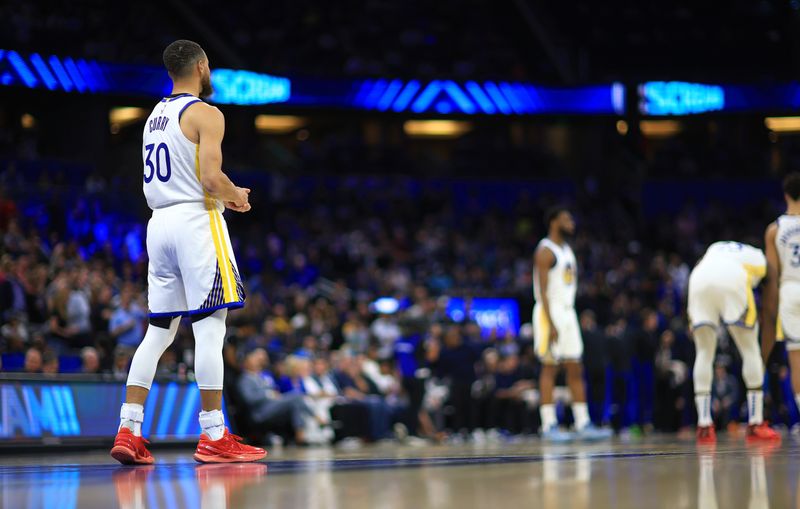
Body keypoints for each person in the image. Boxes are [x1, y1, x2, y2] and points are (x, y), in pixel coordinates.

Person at [111, 40, 263, 465]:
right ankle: (214, 433)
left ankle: (129, 429)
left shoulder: (154, 118)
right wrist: (238, 196)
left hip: (158, 224)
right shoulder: (207, 113)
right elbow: (212, 179)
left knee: (158, 332)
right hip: (196, 222)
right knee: (211, 329)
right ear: (201, 66)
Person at [688, 241, 779, 444]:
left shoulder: (715, 247)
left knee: (703, 352)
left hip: (698, 276)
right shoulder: (759, 258)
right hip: (731, 277)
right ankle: (756, 422)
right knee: (750, 349)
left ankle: (704, 424)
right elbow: (771, 286)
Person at [533, 207, 611, 442]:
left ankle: (582, 423)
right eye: (567, 219)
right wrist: (550, 321)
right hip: (550, 311)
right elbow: (542, 290)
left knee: (575, 368)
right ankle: (548, 425)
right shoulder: (545, 250)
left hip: (568, 312)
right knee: (550, 368)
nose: (572, 222)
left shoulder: (566, 249)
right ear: (553, 221)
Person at [763, 172, 800, 436]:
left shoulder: (774, 229)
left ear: (786, 194)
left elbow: (772, 277)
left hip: (788, 290)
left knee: (797, 360)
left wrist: (771, 313)